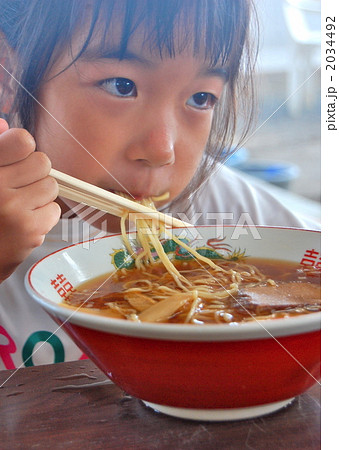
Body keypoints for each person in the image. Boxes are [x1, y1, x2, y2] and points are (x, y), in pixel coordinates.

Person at [0, 0, 317, 370]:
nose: (162, 150)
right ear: (8, 75)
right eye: (122, 86)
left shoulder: (218, 200)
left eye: (201, 98)